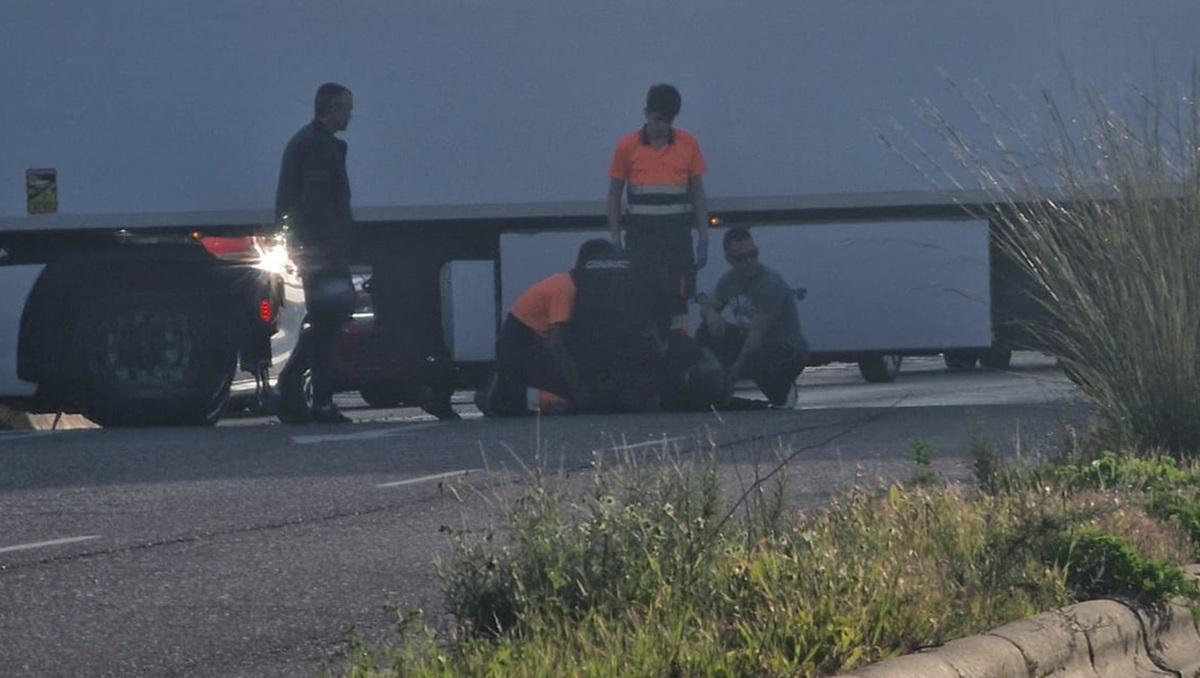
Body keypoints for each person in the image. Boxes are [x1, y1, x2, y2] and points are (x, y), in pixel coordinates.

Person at [275, 83, 357, 423]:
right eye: (346, 107)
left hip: (316, 250)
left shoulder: (309, 143)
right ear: (332, 108)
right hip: (322, 252)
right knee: (327, 325)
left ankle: (294, 390)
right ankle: (315, 399)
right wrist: (331, 248)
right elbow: (318, 205)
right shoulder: (318, 149)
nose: (350, 114)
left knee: (323, 323)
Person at [607, 83, 710, 333]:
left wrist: (704, 237)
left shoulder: (688, 144)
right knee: (641, 304)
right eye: (658, 119)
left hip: (677, 240)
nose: (663, 126)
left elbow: (697, 192)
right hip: (641, 240)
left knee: (679, 304)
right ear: (646, 113)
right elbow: (614, 195)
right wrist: (615, 237)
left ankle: (680, 363)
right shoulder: (626, 147)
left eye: (668, 120)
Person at [476, 239, 615, 416]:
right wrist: (577, 386)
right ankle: (503, 394)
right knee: (563, 402)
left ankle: (512, 392)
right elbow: (556, 343)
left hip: (529, 346)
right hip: (522, 349)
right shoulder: (566, 288)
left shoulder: (571, 284)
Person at [700, 227, 809, 408]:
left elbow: (753, 341)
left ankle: (783, 391)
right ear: (729, 260)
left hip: (788, 349)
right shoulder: (729, 280)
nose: (749, 261)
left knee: (753, 357)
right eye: (741, 259)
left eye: (753, 254)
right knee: (705, 331)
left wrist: (733, 377)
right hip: (755, 340)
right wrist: (712, 315)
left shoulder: (770, 284)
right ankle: (712, 385)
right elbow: (709, 305)